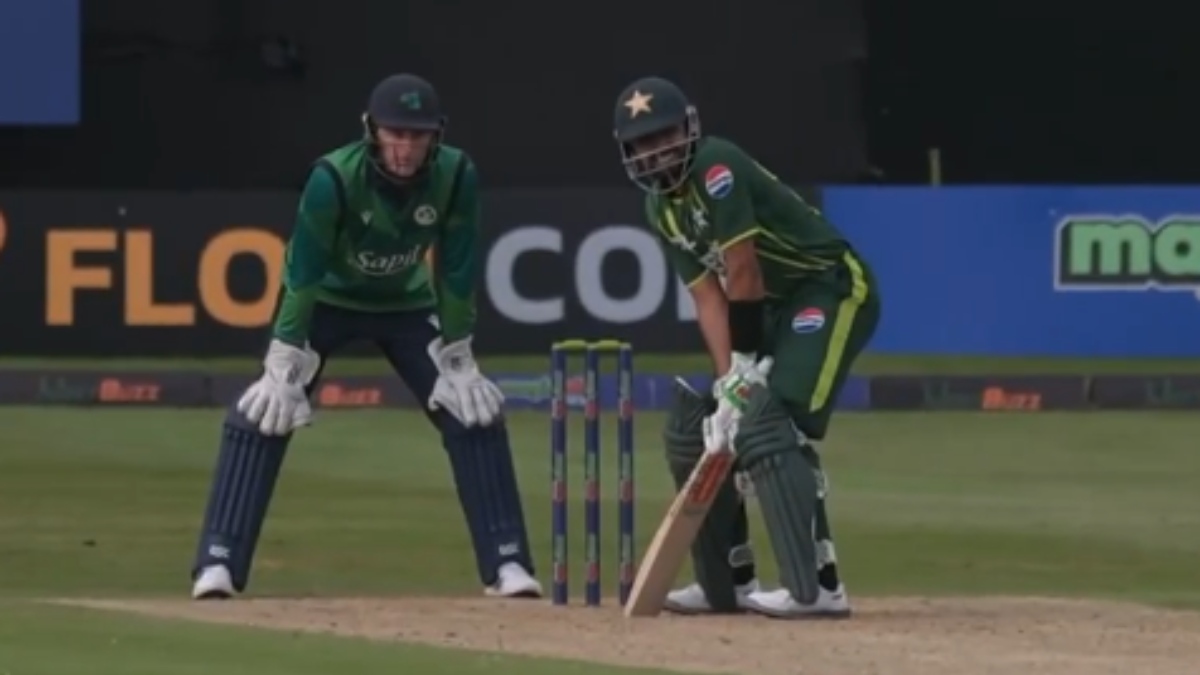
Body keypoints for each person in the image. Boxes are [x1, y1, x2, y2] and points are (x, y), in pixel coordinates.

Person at [190, 73, 541, 601]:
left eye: (417, 136)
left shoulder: (456, 174)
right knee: (265, 411)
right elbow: (303, 272)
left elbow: (457, 268)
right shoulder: (333, 177)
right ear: (372, 130)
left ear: (436, 136)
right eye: (395, 134)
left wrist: (459, 352)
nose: (405, 148)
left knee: (472, 410)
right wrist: (284, 355)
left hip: (406, 305)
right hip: (327, 302)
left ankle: (507, 563)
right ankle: (217, 562)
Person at [612, 76, 881, 619]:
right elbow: (708, 298)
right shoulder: (659, 210)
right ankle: (727, 583)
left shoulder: (717, 165)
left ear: (688, 129)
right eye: (643, 143)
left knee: (776, 419)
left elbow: (742, 269)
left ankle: (820, 585)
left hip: (828, 285)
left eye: (664, 136)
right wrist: (728, 385)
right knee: (700, 428)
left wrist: (744, 368)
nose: (657, 151)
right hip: (774, 308)